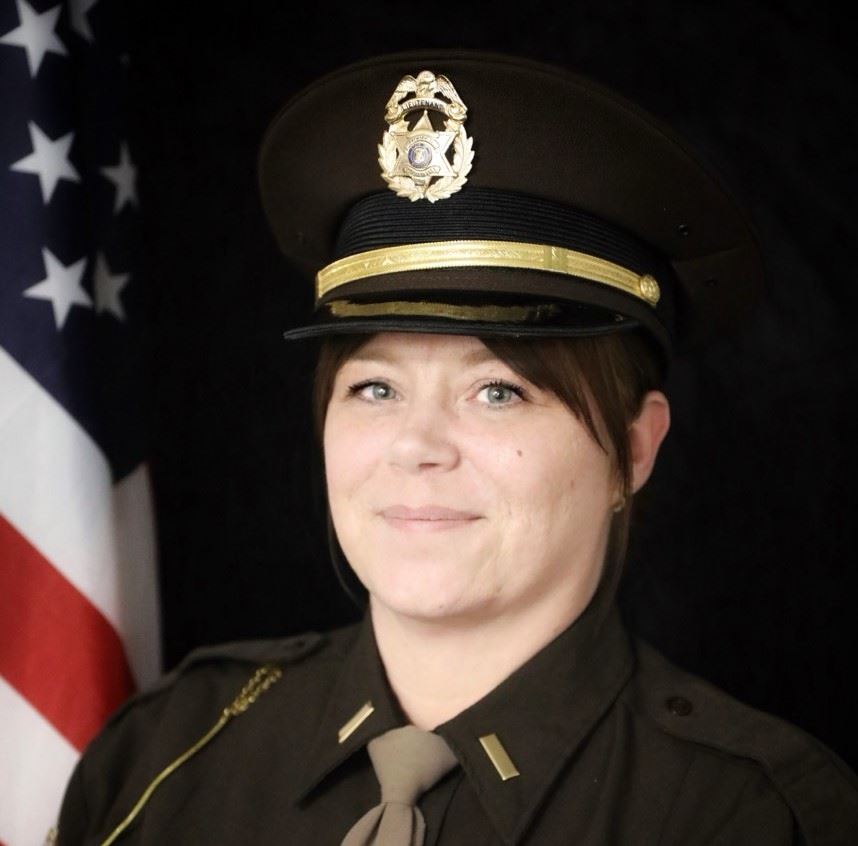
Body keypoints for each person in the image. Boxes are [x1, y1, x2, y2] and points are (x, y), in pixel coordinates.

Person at [55, 50, 858, 845]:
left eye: (498, 391)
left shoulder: (750, 818)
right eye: (377, 388)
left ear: (635, 450)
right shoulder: (162, 757)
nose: (416, 446)